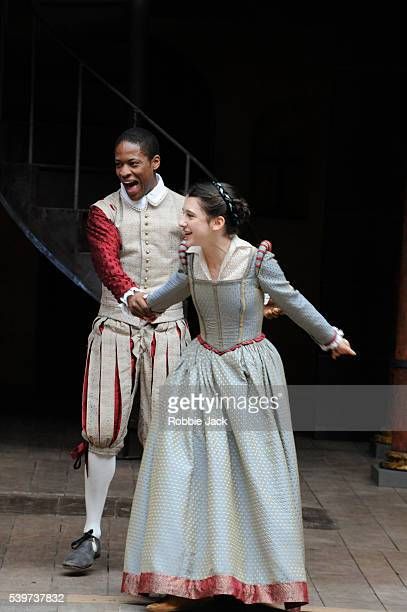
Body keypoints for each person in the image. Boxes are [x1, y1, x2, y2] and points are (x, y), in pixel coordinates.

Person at [121, 180, 356, 611]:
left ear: (217, 222)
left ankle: (277, 582)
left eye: (190, 215)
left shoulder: (255, 261)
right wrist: (139, 300)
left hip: (248, 372)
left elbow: (293, 300)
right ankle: (179, 580)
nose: (183, 222)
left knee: (258, 474)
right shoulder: (190, 260)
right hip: (200, 368)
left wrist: (330, 337)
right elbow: (166, 294)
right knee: (182, 471)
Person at [62, 127, 191, 571]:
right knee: (100, 428)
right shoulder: (104, 210)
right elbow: (105, 259)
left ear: (155, 163)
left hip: (171, 332)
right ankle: (92, 533)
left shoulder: (185, 210)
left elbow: (204, 258)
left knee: (166, 435)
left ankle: (159, 540)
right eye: (119, 164)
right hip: (115, 327)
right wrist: (129, 291)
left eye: (133, 163)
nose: (124, 172)